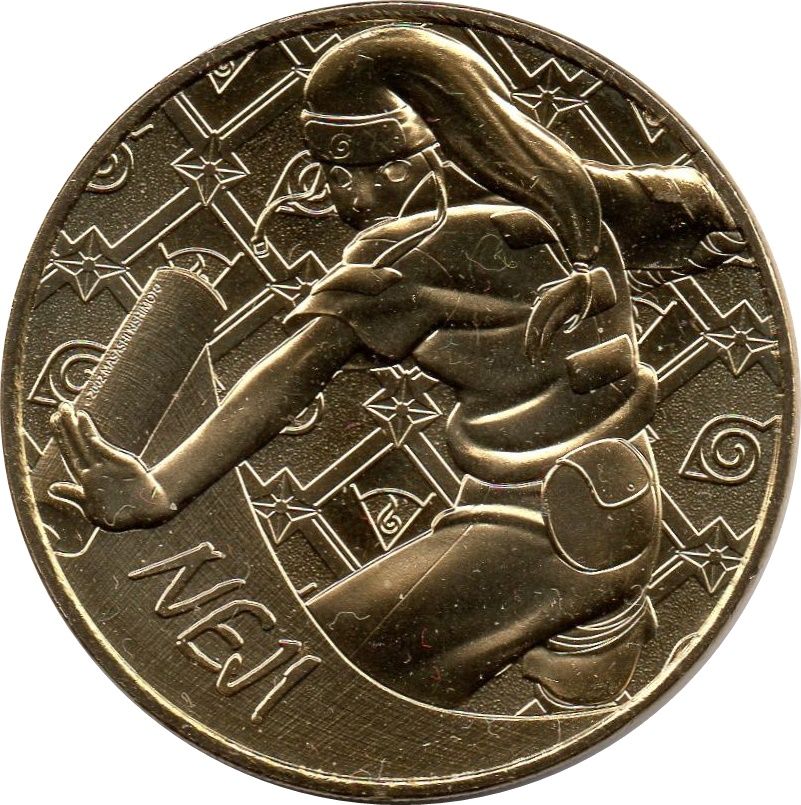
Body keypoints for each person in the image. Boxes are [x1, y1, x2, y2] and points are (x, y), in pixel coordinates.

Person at [50, 26, 741, 708]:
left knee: (311, 681)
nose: (345, 202)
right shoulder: (567, 201)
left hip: (539, 529)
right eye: (331, 176)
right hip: (608, 505)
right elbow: (697, 202)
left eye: (358, 172)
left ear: (418, 157)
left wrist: (161, 489)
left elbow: (293, 371)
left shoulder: (414, 250)